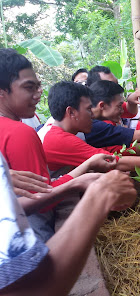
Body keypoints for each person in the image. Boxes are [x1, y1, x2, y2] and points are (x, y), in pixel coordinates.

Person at [0, 48, 117, 242]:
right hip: (29, 235)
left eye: (38, 86)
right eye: (29, 87)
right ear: (2, 92)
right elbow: (40, 199)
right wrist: (78, 181)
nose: (38, 93)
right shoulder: (19, 132)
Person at [0, 151, 136, 296]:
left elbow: (15, 206)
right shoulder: (23, 134)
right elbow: (26, 294)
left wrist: (76, 183)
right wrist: (100, 197)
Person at [41, 81, 140, 173]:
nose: (92, 115)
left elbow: (119, 153)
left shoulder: (63, 129)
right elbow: (115, 161)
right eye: (89, 109)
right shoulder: (62, 139)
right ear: (71, 112)